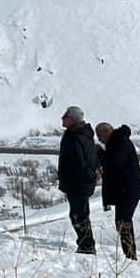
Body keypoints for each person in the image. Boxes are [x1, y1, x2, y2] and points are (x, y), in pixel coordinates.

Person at [97, 122, 140, 259]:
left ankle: (131, 254)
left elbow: (114, 163)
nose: (100, 140)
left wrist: (100, 154)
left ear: (107, 131)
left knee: (123, 222)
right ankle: (129, 253)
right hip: (125, 190)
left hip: (128, 190)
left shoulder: (120, 142)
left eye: (100, 136)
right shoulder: (116, 142)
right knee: (122, 222)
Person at [57, 105, 100, 253]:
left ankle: (86, 245)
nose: (62, 119)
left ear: (72, 119)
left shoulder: (75, 136)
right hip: (81, 182)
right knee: (80, 214)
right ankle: (86, 243)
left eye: (65, 116)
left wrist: (84, 177)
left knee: (78, 215)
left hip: (78, 183)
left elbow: (78, 163)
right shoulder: (83, 134)